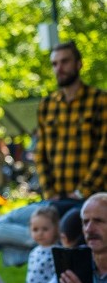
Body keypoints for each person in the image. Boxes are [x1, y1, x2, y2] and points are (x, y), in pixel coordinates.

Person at [36, 41, 107, 200]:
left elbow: (105, 152)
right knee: (4, 223)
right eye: (54, 64)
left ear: (79, 64)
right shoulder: (47, 105)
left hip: (92, 199)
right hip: (55, 198)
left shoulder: (100, 100)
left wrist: (82, 192)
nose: (59, 68)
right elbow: (40, 153)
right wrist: (49, 192)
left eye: (65, 61)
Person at [25, 205, 60, 283]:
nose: (40, 233)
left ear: (56, 228)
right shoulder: (34, 252)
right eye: (35, 229)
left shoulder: (57, 252)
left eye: (45, 229)